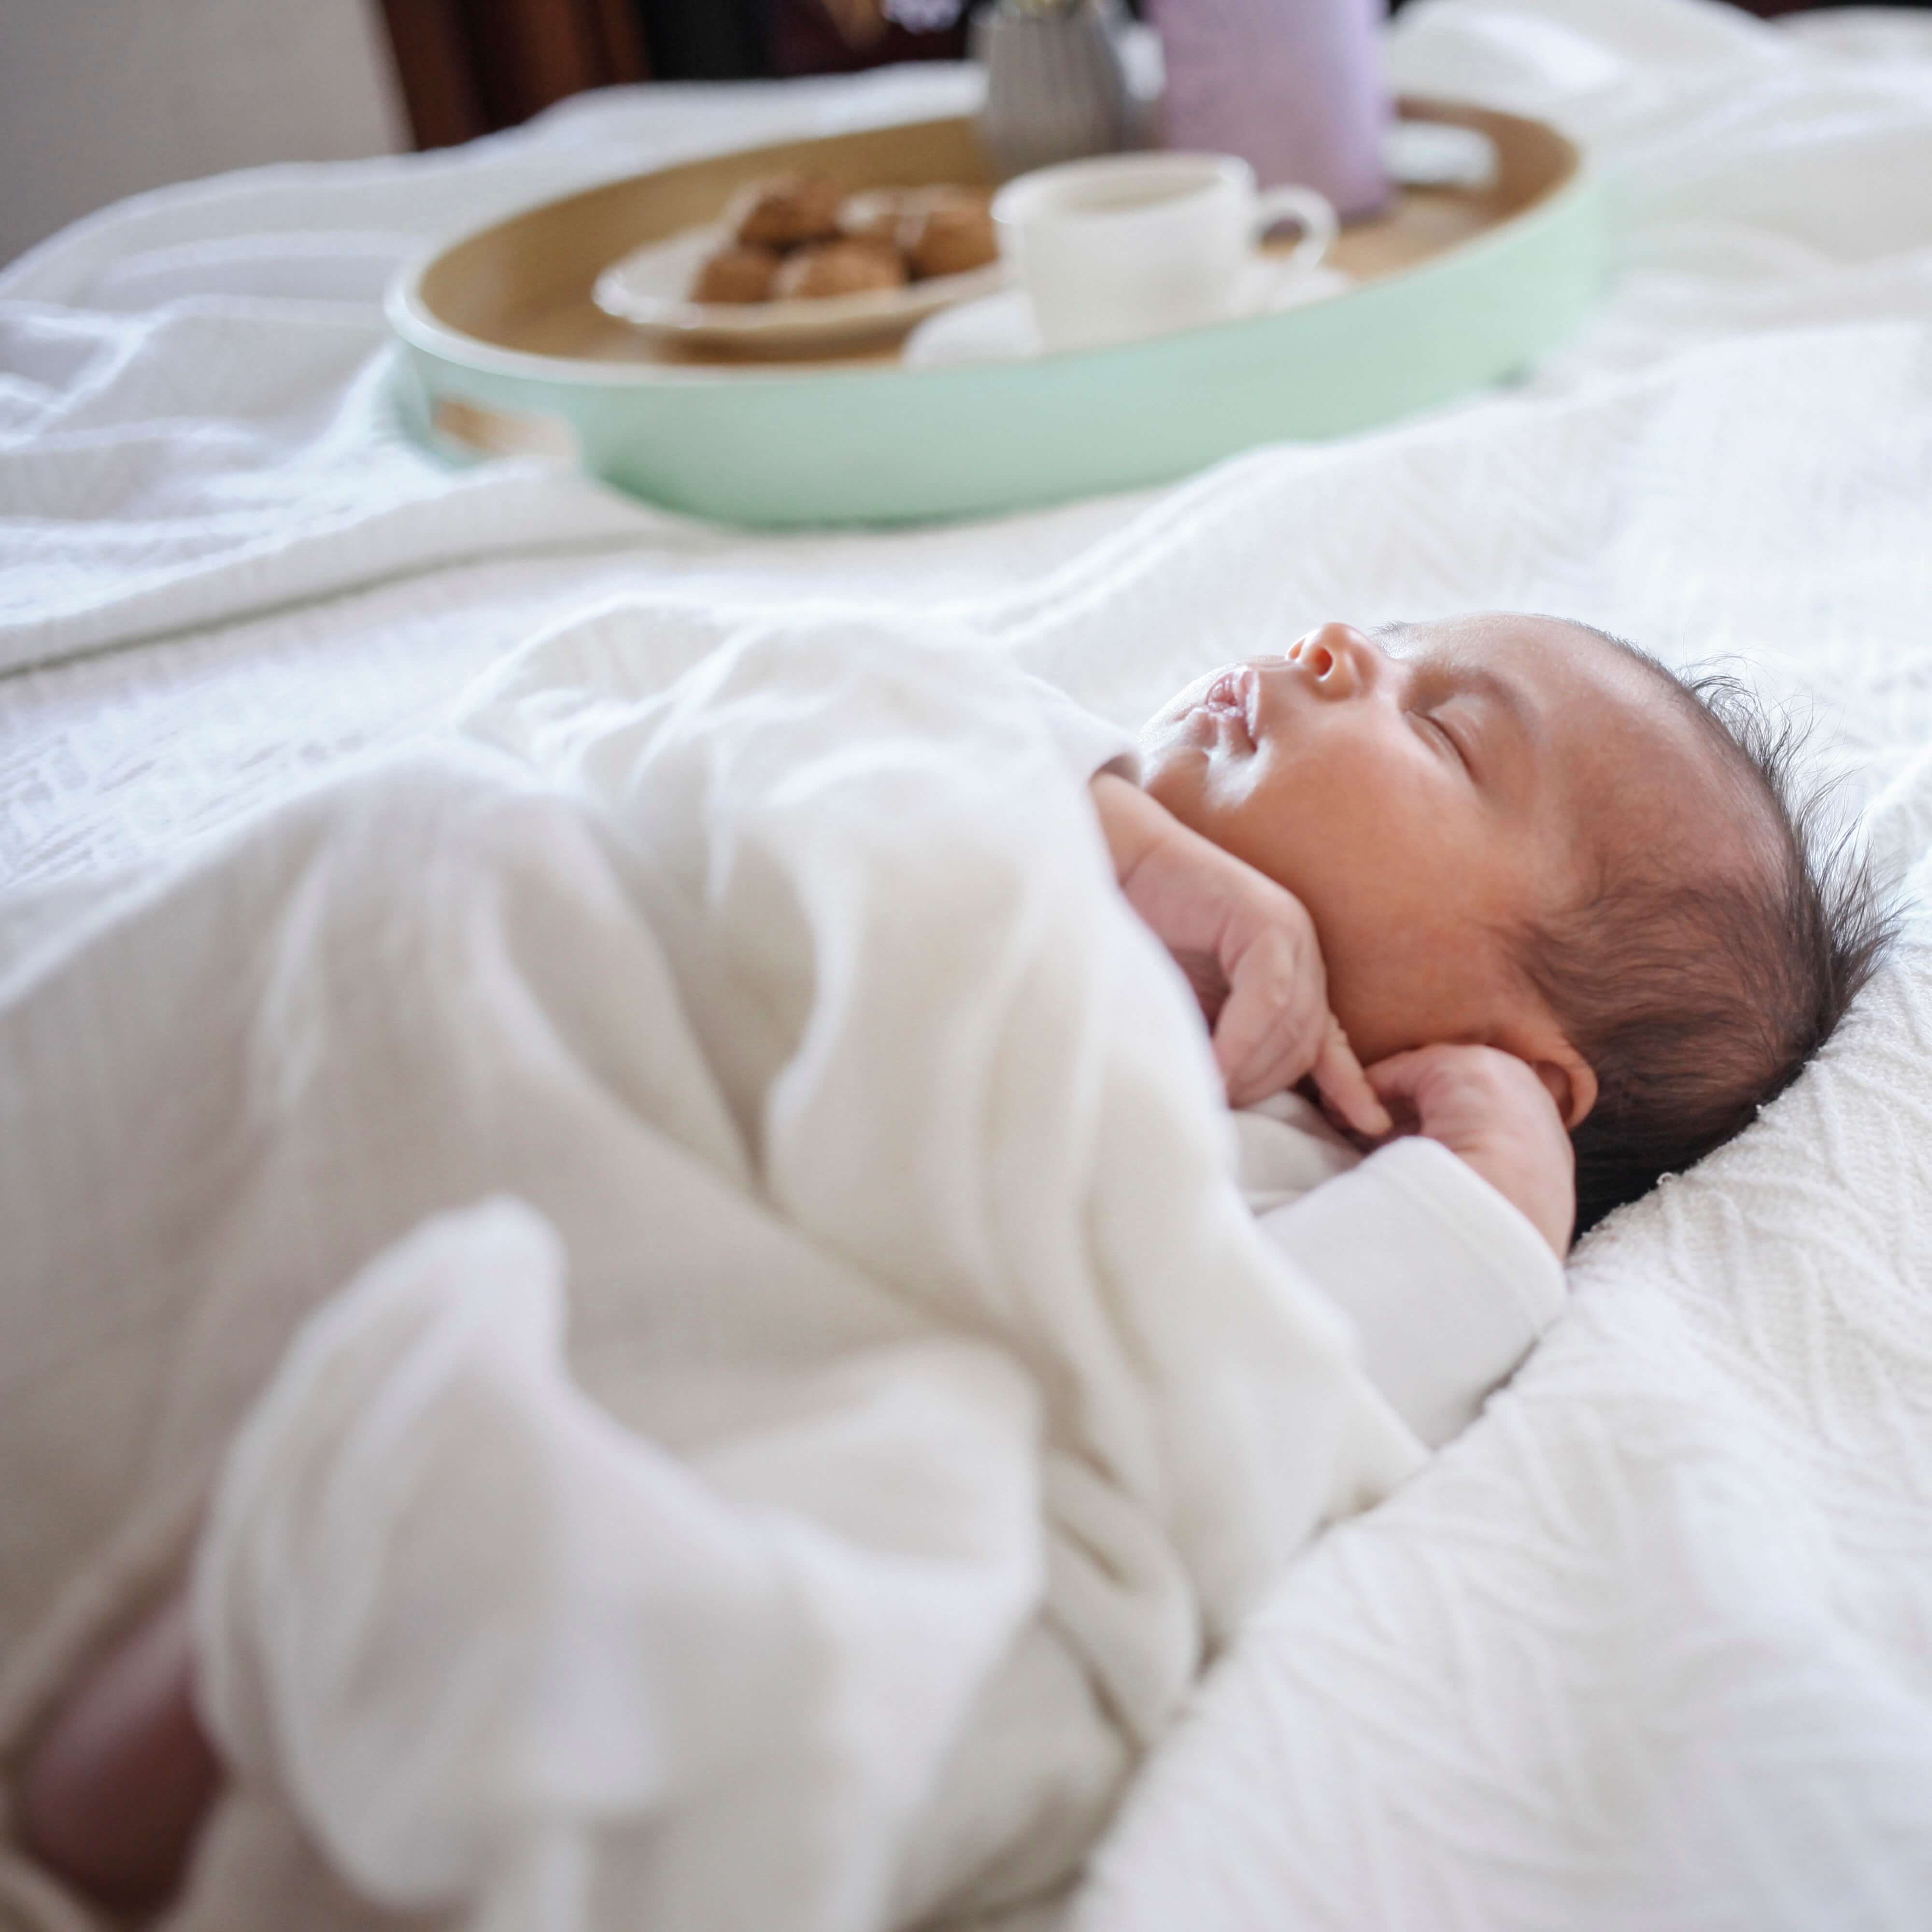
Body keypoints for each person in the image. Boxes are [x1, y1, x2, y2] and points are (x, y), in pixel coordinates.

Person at [14, 611, 1888, 1917]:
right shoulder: (1032, 787)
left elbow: (1230, 1425)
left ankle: (274, 1674)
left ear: (1524, 1063)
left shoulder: (1319, 1189)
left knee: (913, 1537)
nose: (1336, 650)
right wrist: (1095, 815)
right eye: (1386, 636)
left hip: (757, 1343)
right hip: (553, 1042)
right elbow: (747, 722)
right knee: (452, 854)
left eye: (1443, 729)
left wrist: (1477, 1214)